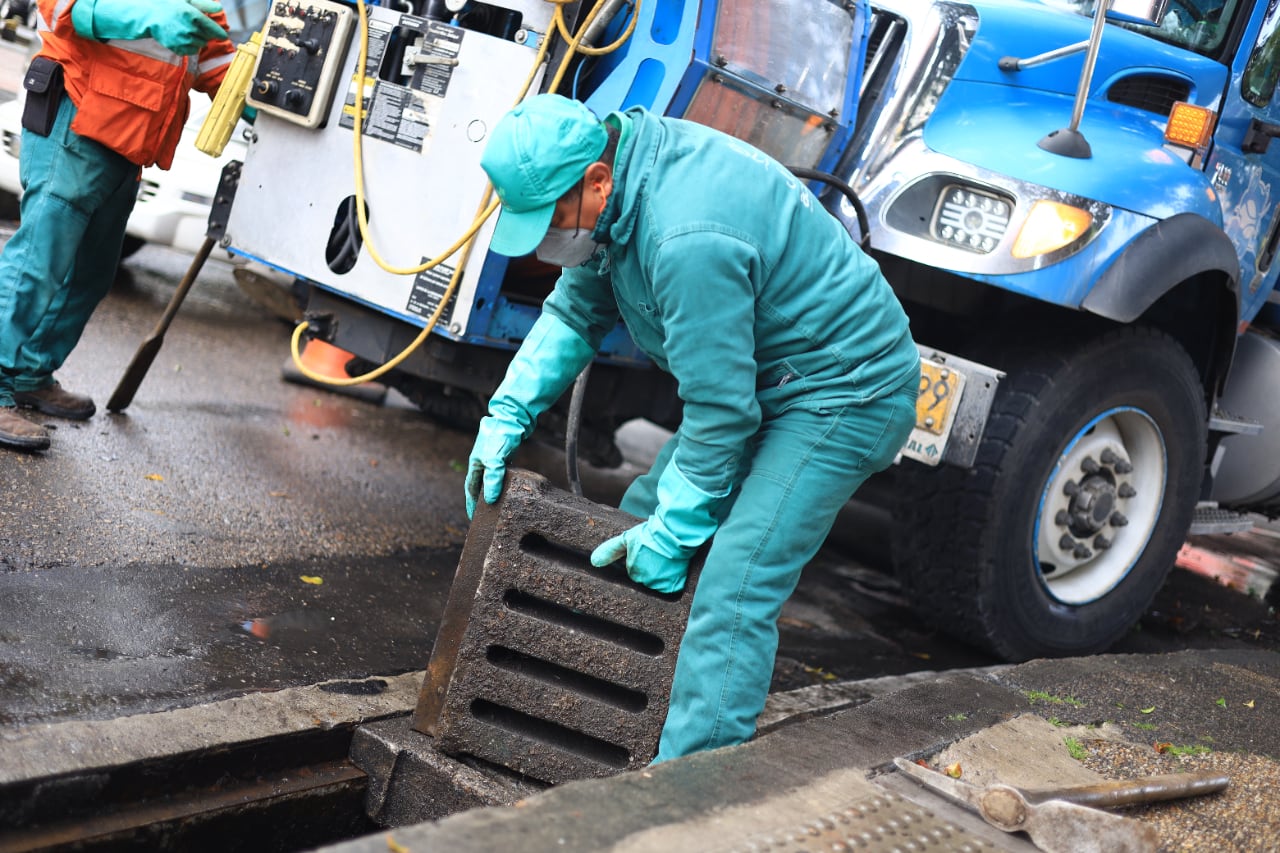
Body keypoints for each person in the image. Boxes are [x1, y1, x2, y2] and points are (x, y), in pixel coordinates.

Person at [466, 94, 921, 762]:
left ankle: (686, 794)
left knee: (734, 583)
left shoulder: (684, 236)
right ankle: (612, 721)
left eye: (552, 217)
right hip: (767, 379)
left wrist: (682, 530)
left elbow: (722, 412)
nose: (544, 238)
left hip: (844, 390)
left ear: (597, 180)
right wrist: (506, 415)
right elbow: (572, 315)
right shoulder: (618, 189)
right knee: (638, 516)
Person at [0, 0, 235, 451]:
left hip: (126, 141)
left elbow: (216, 59)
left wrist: (262, 100)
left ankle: (29, 372)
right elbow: (55, 10)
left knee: (91, 273)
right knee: (39, 259)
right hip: (75, 115)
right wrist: (147, 16)